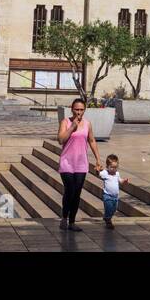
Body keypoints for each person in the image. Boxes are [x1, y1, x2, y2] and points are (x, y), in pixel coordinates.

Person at [57, 99, 102, 231]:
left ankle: (72, 222)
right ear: (72, 109)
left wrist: (98, 159)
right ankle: (64, 218)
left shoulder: (88, 124)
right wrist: (72, 127)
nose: (79, 112)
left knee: (77, 193)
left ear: (85, 110)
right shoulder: (65, 122)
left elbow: (92, 140)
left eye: (81, 109)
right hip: (67, 163)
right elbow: (60, 140)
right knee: (69, 191)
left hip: (81, 164)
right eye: (76, 109)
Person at [98, 154, 129, 230]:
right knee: (108, 207)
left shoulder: (117, 174)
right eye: (111, 167)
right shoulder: (105, 173)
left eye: (115, 167)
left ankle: (107, 217)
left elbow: (120, 181)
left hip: (115, 196)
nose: (113, 169)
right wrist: (97, 170)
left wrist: (124, 181)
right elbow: (99, 174)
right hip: (107, 195)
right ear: (107, 167)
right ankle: (108, 220)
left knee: (114, 209)